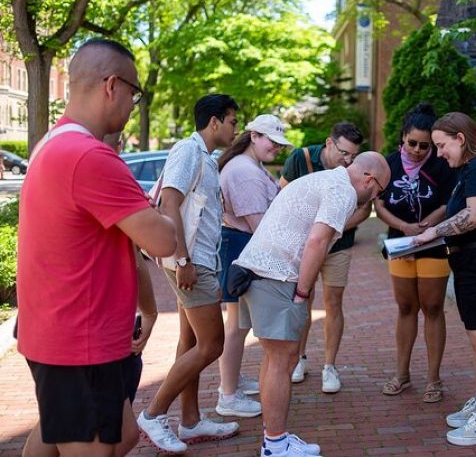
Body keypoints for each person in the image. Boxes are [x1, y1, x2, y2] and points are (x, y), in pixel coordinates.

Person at [16, 38, 177, 457]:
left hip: (60, 333)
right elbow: (163, 240)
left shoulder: (53, 143)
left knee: (116, 435)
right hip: (79, 343)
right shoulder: (90, 156)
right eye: (134, 92)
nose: (133, 103)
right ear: (112, 86)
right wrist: (166, 204)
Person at [233, 152, 390, 457]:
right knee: (283, 360)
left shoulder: (325, 179)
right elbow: (317, 241)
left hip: (257, 270)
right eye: (378, 191)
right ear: (369, 180)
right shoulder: (342, 190)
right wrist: (303, 293)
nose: (375, 197)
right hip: (275, 275)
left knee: (276, 358)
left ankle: (274, 438)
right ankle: (275, 446)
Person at [137, 94, 240, 453]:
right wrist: (182, 261)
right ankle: (153, 414)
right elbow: (169, 202)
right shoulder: (188, 151)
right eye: (232, 121)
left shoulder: (207, 159)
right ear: (214, 122)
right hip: (191, 264)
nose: (235, 128)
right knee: (213, 344)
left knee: (192, 343)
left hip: (198, 261)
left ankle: (191, 421)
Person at [414, 112, 476, 446]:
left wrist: (432, 233)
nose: (439, 153)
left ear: (461, 138)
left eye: (442, 146)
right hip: (473, 265)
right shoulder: (472, 168)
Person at [279, 122, 370, 393]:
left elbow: (364, 210)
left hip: (339, 245)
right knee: (302, 299)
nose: (348, 161)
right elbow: (283, 196)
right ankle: (299, 358)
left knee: (333, 301)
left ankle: (330, 366)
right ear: (329, 143)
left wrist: (334, 228)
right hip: (304, 244)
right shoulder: (301, 159)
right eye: (344, 153)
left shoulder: (357, 169)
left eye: (353, 155)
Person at [374, 103, 454, 404]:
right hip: (401, 244)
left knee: (433, 307)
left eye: (425, 145)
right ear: (402, 138)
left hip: (433, 243)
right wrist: (403, 227)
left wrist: (427, 225)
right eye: (413, 143)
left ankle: (434, 379)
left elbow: (450, 201)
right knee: (406, 307)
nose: (419, 150)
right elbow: (378, 202)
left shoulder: (442, 164)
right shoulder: (388, 163)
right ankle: (402, 375)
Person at [215, 114, 292, 418]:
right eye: (272, 142)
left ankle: (231, 383)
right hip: (243, 245)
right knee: (237, 325)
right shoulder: (244, 172)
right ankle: (228, 394)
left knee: (238, 324)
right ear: (255, 136)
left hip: (242, 243)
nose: (277, 148)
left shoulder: (247, 166)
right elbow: (259, 224)